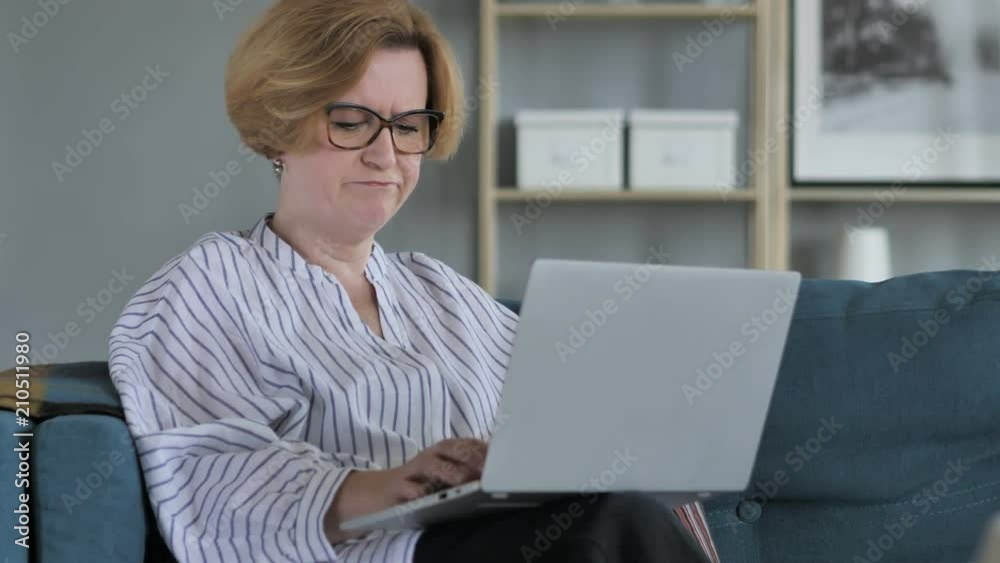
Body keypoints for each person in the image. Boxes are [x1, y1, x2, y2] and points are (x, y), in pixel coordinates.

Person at [108, 1, 719, 561]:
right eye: (352, 121)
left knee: (619, 509)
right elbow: (204, 481)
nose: (386, 155)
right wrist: (383, 488)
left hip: (521, 544)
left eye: (408, 126)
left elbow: (571, 426)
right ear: (279, 125)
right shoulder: (212, 282)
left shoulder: (442, 293)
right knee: (609, 525)